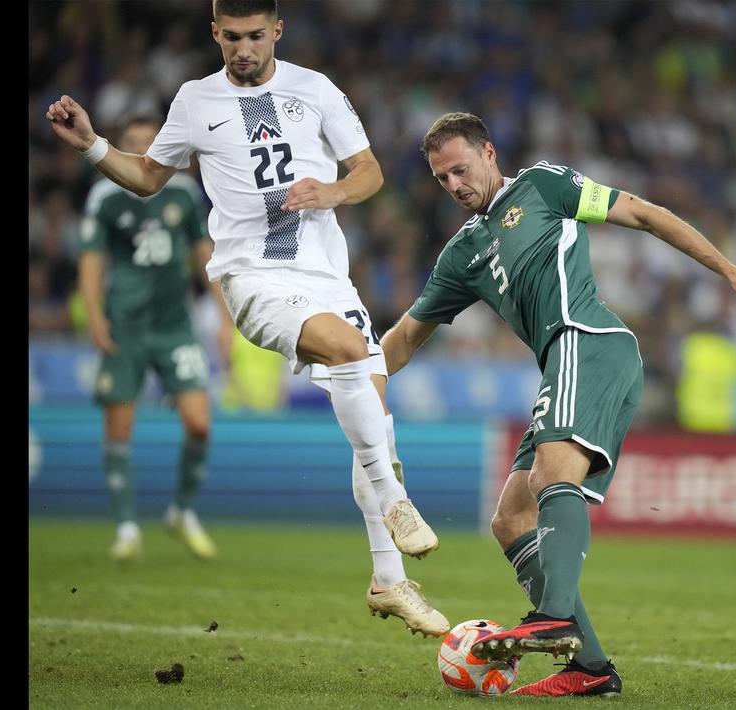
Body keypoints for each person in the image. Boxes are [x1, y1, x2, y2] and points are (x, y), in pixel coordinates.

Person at [46, 0, 448, 638]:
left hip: (326, 275)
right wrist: (94, 145)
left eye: (255, 36)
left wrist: (334, 192)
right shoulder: (194, 101)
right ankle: (395, 500)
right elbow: (149, 176)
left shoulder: (315, 90)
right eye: (231, 37)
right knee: (350, 357)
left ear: (277, 32)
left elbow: (367, 170)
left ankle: (389, 579)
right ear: (215, 33)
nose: (243, 48)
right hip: (252, 278)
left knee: (371, 407)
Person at [380, 112, 736, 696]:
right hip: (561, 363)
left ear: (489, 153)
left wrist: (727, 269)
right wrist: (351, 373)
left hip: (588, 340)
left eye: (460, 169)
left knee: (552, 474)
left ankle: (555, 617)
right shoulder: (462, 254)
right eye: (442, 179)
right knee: (512, 519)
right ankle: (591, 669)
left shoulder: (543, 186)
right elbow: (406, 337)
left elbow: (645, 214)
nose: (454, 185)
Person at [78, 112, 231, 563]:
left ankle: (181, 512)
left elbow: (206, 259)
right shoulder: (105, 195)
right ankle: (126, 528)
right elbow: (91, 260)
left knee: (200, 424)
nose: (145, 150)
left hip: (174, 327)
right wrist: (93, 316)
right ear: (120, 147)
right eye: (134, 142)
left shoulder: (182, 193)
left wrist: (224, 319)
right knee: (120, 428)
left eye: (152, 141)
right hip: (125, 326)